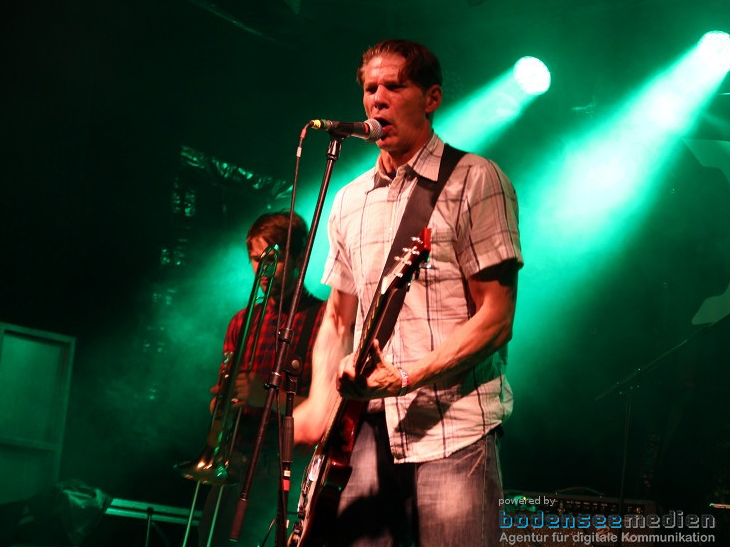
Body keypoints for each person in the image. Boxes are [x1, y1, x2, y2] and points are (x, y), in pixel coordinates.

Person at [292, 39, 523, 546]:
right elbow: (336, 319)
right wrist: (317, 400)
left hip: (454, 430)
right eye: (370, 89)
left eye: (394, 86)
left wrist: (408, 378)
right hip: (363, 434)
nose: (378, 99)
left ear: (432, 97)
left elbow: (496, 317)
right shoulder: (349, 200)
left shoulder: (475, 180)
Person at [197, 210, 325, 546]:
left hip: (288, 468)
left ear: (299, 257)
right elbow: (219, 400)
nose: (262, 270)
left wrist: (263, 395)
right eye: (256, 259)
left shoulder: (325, 319)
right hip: (235, 461)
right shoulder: (241, 321)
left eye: (274, 259)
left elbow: (327, 410)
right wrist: (221, 404)